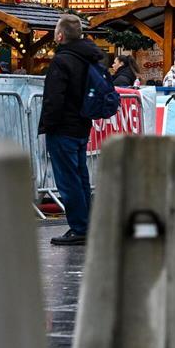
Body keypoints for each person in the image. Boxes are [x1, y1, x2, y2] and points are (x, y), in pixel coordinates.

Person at [38, 14, 105, 246]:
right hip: (82, 125)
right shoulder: (89, 58)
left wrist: (48, 124)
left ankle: (79, 227)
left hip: (63, 127)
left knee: (68, 180)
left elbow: (54, 98)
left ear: (60, 35)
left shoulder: (62, 61)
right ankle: (86, 223)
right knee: (80, 176)